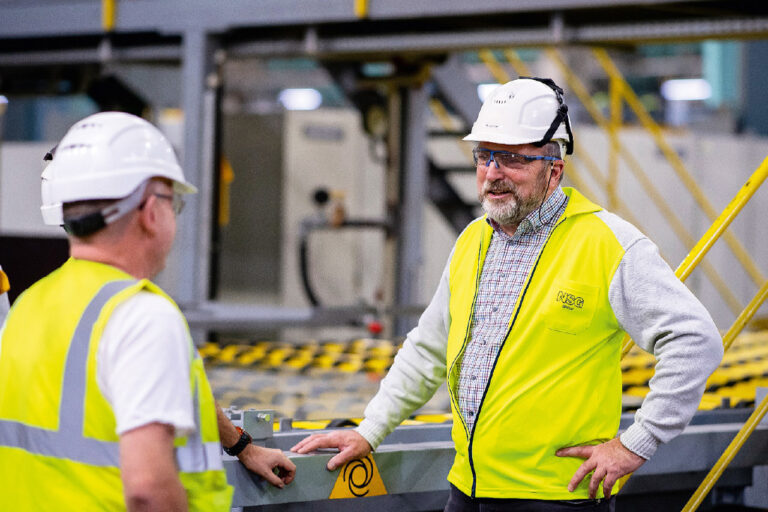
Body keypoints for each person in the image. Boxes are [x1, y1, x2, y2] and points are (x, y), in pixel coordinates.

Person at [292, 77, 723, 510]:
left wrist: (635, 443)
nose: (493, 173)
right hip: (470, 487)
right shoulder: (473, 241)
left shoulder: (607, 243)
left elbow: (695, 340)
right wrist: (370, 430)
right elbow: (429, 348)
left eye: (513, 158)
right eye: (484, 156)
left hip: (556, 496)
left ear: (554, 168)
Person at [0, 112, 295, 510]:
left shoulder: (26, 306)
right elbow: (148, 490)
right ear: (150, 211)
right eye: (173, 201)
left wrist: (242, 446)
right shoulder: (142, 316)